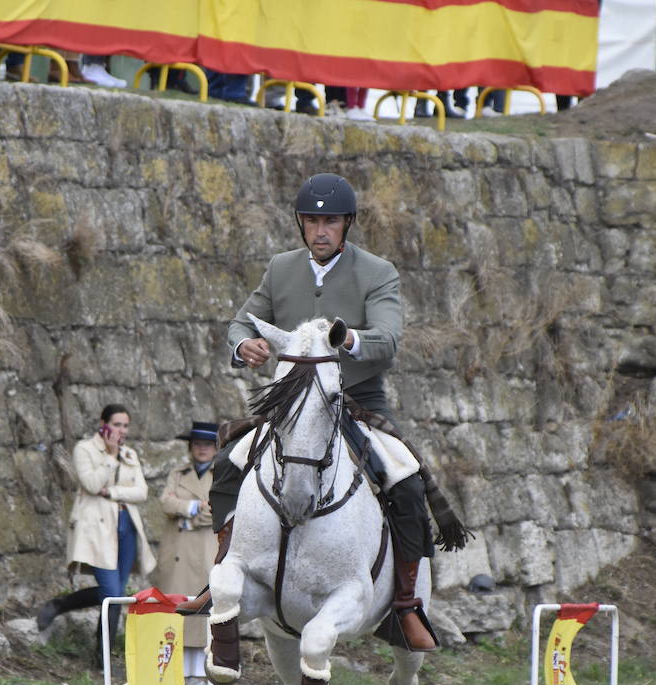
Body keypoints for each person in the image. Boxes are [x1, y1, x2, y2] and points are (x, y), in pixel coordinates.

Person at [191, 173, 464, 658]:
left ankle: (404, 603)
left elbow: (389, 339)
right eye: (312, 221)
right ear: (300, 224)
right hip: (292, 403)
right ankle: (224, 570)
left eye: (330, 221)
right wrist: (243, 344)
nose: (321, 230)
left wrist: (348, 339)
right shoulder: (281, 268)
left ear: (347, 225)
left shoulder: (378, 272)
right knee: (230, 463)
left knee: (406, 481)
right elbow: (242, 319)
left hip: (356, 401)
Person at [62, 404, 156, 665]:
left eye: (125, 426)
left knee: (117, 594)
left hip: (126, 524)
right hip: (97, 529)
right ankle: (100, 656)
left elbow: (142, 492)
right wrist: (109, 456)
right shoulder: (85, 449)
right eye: (116, 424)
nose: (121, 431)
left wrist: (113, 492)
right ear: (103, 423)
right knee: (112, 592)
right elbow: (91, 484)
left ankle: (100, 654)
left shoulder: (130, 454)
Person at [155, 421, 220, 685]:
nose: (201, 449)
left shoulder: (222, 473)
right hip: (177, 551)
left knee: (201, 613)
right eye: (197, 444)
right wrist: (193, 506)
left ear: (216, 448)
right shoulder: (178, 473)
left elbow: (216, 509)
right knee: (175, 610)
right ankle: (175, 671)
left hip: (205, 550)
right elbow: (166, 502)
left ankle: (199, 673)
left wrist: (189, 515)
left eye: (207, 444)